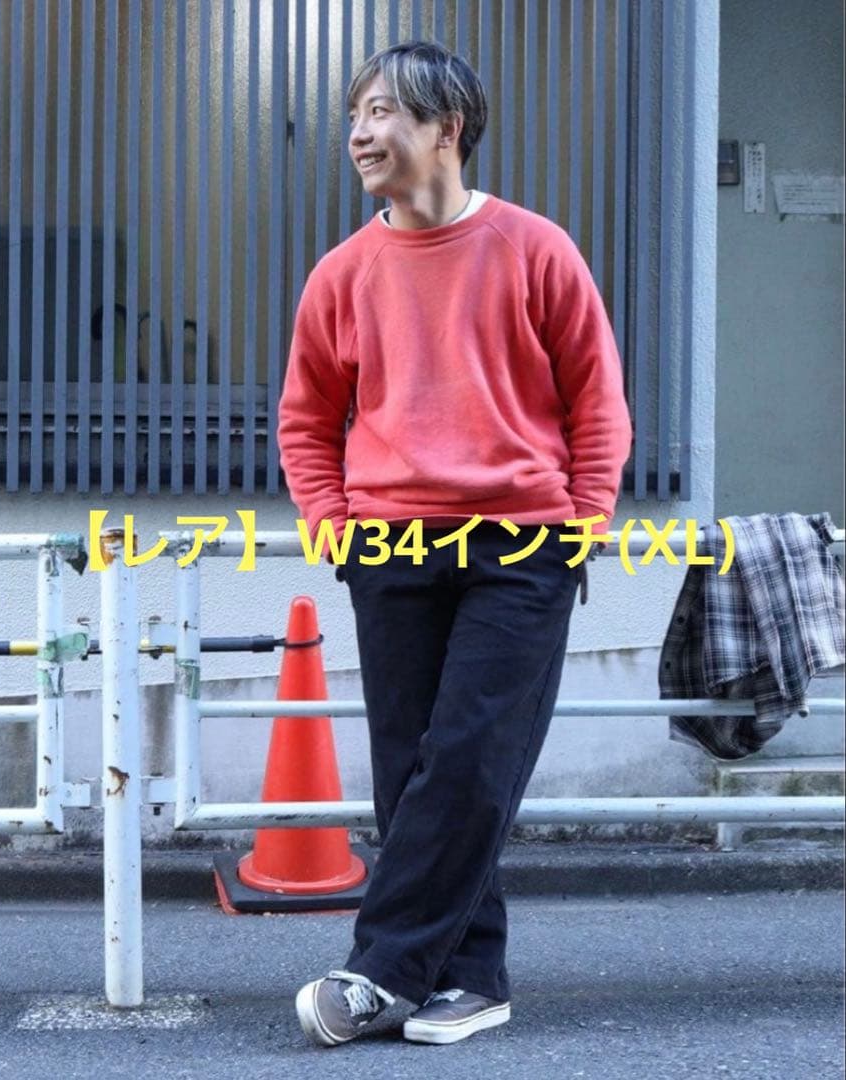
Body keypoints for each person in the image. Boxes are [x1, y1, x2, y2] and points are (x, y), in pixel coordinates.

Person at [277, 40, 632, 1048]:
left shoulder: (535, 249)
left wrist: (580, 527)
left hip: (522, 545)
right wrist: (334, 528)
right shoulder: (343, 273)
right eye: (355, 114)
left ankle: (378, 972)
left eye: (382, 111)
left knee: (473, 757)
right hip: (389, 547)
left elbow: (596, 403)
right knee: (411, 773)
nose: (359, 134)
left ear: (447, 127)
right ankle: (469, 980)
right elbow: (306, 420)